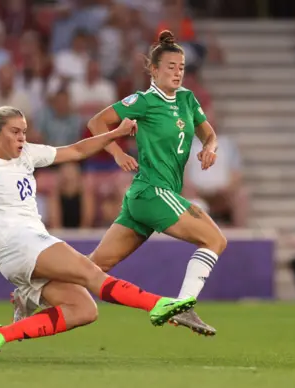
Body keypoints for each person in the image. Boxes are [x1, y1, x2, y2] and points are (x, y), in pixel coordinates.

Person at [0, 105, 196, 361]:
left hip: (31, 246)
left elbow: (75, 151)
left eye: (24, 131)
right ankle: (158, 305)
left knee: (84, 310)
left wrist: (115, 134)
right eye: (15, 132)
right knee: (89, 271)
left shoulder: (26, 155)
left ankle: (0, 333)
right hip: (17, 244)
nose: (22, 137)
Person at [80, 30, 225, 336]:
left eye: (181, 67)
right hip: (153, 191)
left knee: (91, 269)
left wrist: (210, 148)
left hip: (144, 198)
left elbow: (208, 134)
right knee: (215, 240)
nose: (177, 72)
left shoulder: (187, 99)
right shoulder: (144, 101)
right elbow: (96, 123)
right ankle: (184, 306)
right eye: (170, 67)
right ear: (154, 70)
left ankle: (29, 295)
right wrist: (117, 151)